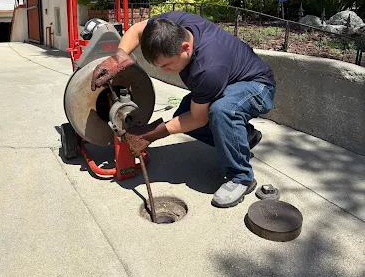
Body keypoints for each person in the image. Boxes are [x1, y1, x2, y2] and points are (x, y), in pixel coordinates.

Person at [91, 11, 276, 208]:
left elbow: (198, 118)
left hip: (257, 86)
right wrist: (118, 57)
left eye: (167, 65)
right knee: (181, 118)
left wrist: (151, 134)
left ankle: (241, 177)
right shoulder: (172, 25)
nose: (163, 71)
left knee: (222, 111)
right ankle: (243, 137)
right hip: (228, 81)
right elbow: (137, 31)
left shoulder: (207, 69)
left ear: (185, 48)